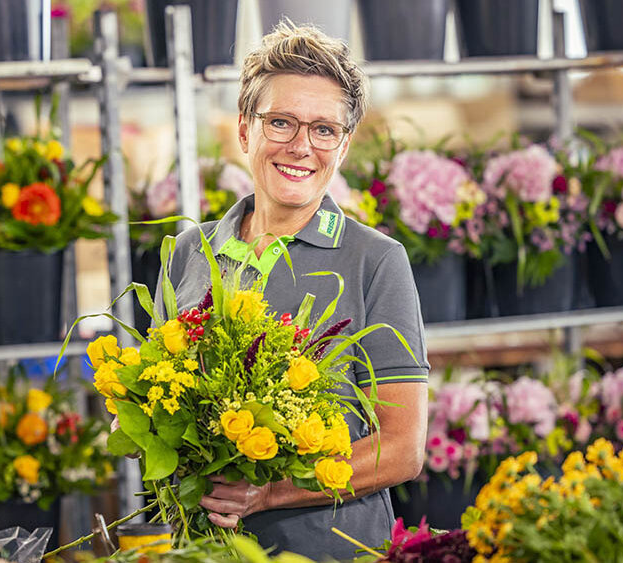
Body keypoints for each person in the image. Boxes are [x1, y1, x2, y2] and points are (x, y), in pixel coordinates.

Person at [159, 22, 429, 560]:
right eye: (280, 122)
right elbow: (162, 394)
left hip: (331, 550)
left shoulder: (375, 262)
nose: (301, 147)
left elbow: (402, 449)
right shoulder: (190, 252)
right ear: (244, 130)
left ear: (344, 145)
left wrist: (267, 494)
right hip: (201, 548)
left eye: (324, 130)